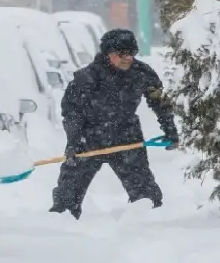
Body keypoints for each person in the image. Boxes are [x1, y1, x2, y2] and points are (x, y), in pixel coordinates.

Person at [49, 29, 179, 220]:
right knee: (67, 197)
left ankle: (150, 227)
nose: (128, 58)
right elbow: (71, 113)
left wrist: (170, 129)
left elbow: (160, 102)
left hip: (127, 137)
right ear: (107, 54)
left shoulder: (142, 73)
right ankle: (60, 227)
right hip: (88, 139)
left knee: (146, 196)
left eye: (131, 53)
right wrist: (74, 142)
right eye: (122, 54)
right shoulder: (86, 78)